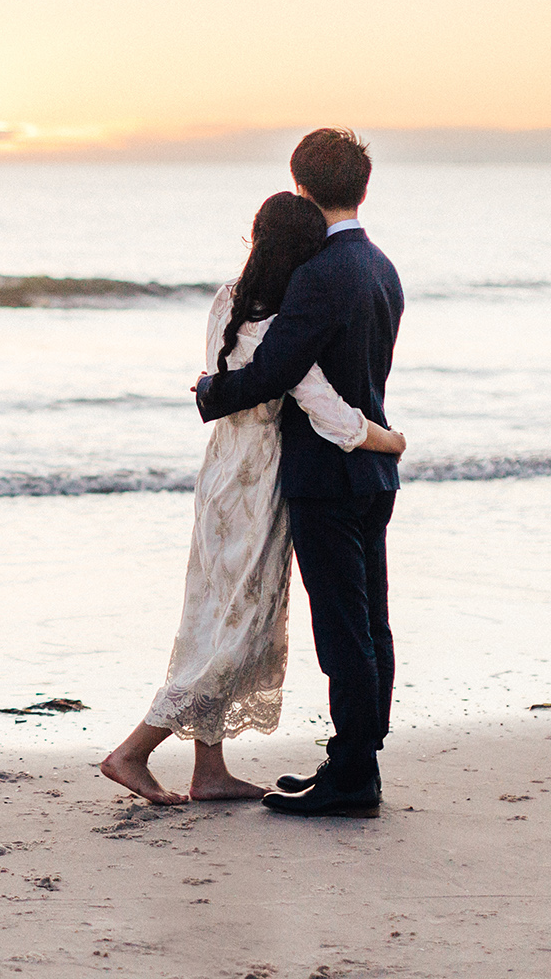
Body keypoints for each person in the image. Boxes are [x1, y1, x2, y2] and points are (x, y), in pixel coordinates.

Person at [101, 190, 406, 805]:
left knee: (211, 614)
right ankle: (133, 751)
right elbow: (330, 414)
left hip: (220, 471)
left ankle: (208, 771)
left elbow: (227, 376)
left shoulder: (228, 299)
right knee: (239, 626)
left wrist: (212, 389)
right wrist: (391, 442)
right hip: (262, 479)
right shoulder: (278, 320)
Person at [196, 128, 405, 816]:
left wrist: (209, 393)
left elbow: (276, 373)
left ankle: (352, 777)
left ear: (299, 187)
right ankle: (353, 761)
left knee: (343, 632)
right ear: (361, 187)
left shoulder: (319, 274)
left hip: (327, 475)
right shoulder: (379, 266)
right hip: (369, 478)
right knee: (369, 625)